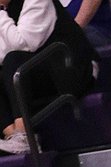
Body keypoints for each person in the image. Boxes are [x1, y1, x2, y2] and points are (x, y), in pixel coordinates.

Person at [0, 0, 98, 154]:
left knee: (14, 60)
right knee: (10, 64)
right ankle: (12, 135)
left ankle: (24, 134)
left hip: (71, 69)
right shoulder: (6, 10)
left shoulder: (37, 1)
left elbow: (23, 45)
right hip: (40, 70)